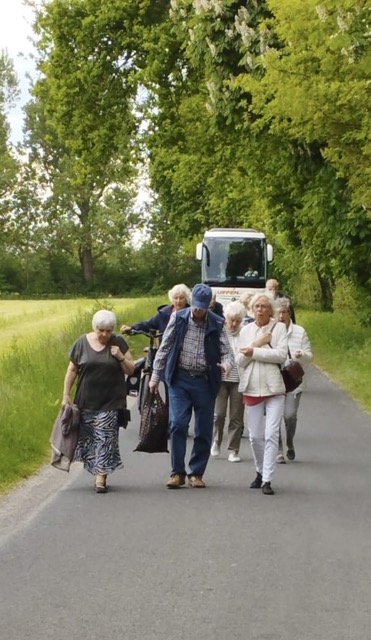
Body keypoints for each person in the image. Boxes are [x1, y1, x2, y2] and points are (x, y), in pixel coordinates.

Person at [149, 283, 234, 489]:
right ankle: (177, 472)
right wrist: (155, 376)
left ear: (208, 306)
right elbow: (164, 348)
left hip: (205, 382)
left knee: (203, 429)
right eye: (195, 306)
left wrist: (227, 364)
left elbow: (227, 351)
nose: (197, 311)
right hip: (180, 379)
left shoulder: (216, 322)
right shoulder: (178, 318)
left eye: (202, 307)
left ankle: (196, 472)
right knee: (177, 424)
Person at [62, 309, 135, 493]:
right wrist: (66, 394)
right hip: (86, 400)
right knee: (89, 439)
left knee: (105, 438)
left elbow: (130, 370)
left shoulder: (119, 342)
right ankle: (96, 468)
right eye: (101, 330)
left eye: (108, 330)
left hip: (111, 401)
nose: (104, 334)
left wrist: (119, 357)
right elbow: (72, 370)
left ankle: (100, 478)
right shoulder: (81, 343)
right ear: (94, 328)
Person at [236, 294, 287, 495]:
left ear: (270, 309)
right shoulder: (246, 331)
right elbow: (240, 360)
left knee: (272, 433)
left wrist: (253, 352)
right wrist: (256, 344)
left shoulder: (279, 328)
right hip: (251, 386)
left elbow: (281, 355)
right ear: (251, 309)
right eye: (256, 306)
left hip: (274, 386)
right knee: (255, 436)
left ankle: (267, 479)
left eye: (264, 306)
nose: (260, 309)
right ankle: (259, 470)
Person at [276, 298, 313, 463]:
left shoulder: (299, 331)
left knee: (289, 415)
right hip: (274, 380)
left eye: (284, 312)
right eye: (278, 312)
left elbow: (309, 356)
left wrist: (301, 355)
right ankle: (278, 449)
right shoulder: (270, 330)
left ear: (290, 313)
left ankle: (289, 440)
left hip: (293, 381)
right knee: (274, 415)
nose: (281, 315)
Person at [211, 301, 246, 462]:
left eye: (238, 320)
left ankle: (233, 450)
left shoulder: (245, 333)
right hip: (221, 378)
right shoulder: (218, 331)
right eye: (232, 319)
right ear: (226, 317)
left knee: (236, 416)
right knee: (219, 414)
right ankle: (216, 441)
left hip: (239, 379)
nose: (234, 323)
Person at [120, 283, 191, 335]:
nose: (178, 301)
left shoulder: (191, 314)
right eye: (176, 298)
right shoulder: (164, 313)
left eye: (181, 298)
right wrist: (132, 327)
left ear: (186, 299)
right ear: (172, 299)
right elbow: (148, 324)